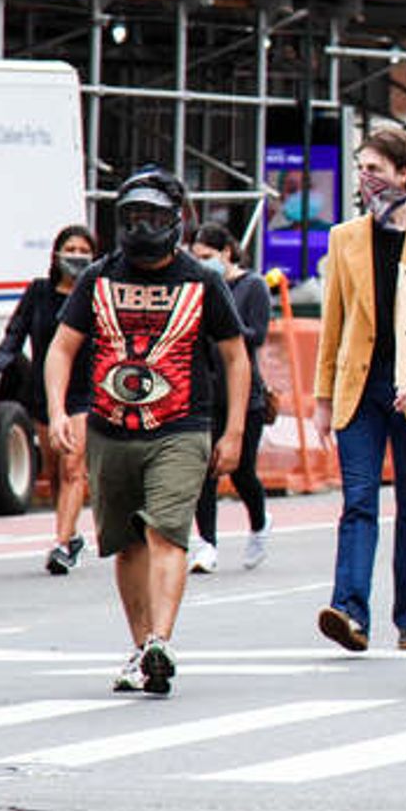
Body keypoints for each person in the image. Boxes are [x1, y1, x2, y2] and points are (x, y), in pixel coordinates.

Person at [44, 170, 248, 695]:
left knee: (166, 531)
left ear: (175, 222)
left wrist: (235, 431)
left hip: (181, 427)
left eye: (153, 217)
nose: (142, 227)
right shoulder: (98, 278)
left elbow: (234, 356)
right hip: (109, 430)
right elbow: (63, 348)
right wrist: (59, 410)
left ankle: (162, 638)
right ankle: (141, 650)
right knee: (125, 542)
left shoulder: (202, 280)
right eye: (133, 216)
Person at [314, 127, 406, 654]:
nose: (365, 177)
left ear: (404, 174)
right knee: (358, 501)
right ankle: (350, 611)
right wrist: (323, 396)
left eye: (375, 168)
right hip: (362, 387)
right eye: (361, 167)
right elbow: (333, 319)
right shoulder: (344, 236)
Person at [0, 224, 96, 574]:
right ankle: (68, 533)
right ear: (56, 253)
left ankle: (62, 544)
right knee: (53, 470)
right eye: (72, 249)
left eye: (85, 251)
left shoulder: (95, 295)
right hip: (43, 393)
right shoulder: (39, 293)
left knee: (72, 467)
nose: (78, 256)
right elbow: (14, 336)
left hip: (84, 393)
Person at [187, 223, 272, 573]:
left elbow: (256, 334)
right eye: (197, 258)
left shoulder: (252, 286)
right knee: (204, 470)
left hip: (243, 395)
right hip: (206, 393)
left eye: (207, 257)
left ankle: (259, 523)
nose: (203, 264)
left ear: (226, 253)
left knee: (240, 472)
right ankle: (207, 543)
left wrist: (224, 321)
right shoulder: (200, 287)